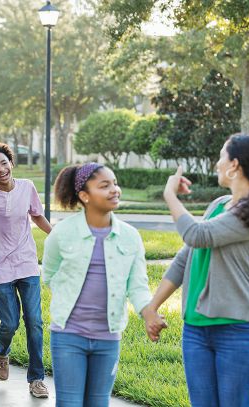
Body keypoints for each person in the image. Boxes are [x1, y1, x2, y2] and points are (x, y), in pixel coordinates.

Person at [144, 133, 249, 407]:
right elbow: (185, 258)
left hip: (240, 332)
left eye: (222, 157)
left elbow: (196, 235)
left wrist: (169, 195)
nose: (217, 164)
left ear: (234, 165)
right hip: (196, 330)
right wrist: (152, 306)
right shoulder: (220, 206)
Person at [42, 162, 165, 407]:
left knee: (98, 403)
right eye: (105, 185)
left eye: (115, 183)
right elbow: (50, 274)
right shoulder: (62, 233)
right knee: (69, 403)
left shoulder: (130, 236)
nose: (114, 190)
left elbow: (138, 285)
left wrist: (148, 312)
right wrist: (68, 297)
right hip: (68, 335)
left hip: (108, 337)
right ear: (84, 196)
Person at [0, 142, 52, 398]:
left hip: (26, 262)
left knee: (35, 322)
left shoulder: (27, 187)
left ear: (11, 163)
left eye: (4, 163)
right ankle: (1, 351)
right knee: (10, 322)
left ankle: (36, 378)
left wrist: (56, 236)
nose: (1, 169)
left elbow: (36, 216)